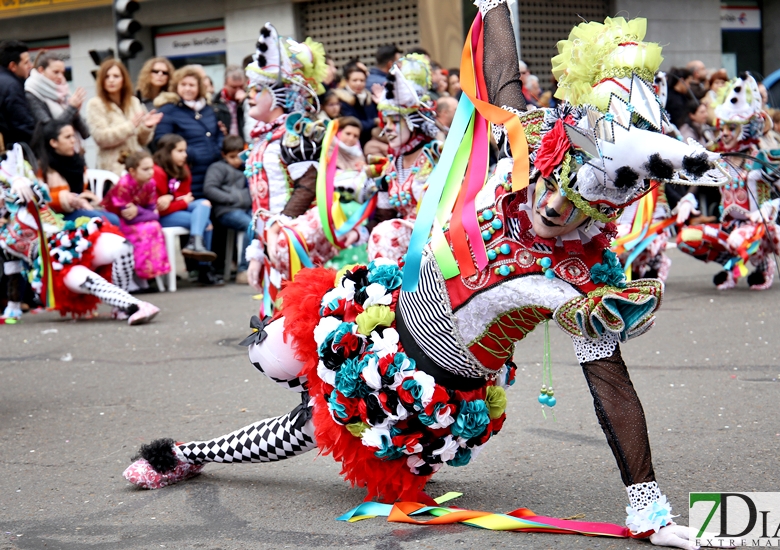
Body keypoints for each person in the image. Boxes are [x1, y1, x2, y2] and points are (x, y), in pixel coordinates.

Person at [123, 9, 726, 549]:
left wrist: (648, 507)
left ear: (610, 209)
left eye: (580, 208)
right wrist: (494, 5)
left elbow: (613, 388)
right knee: (273, 353)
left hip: (430, 380)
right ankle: (256, 367)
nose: (553, 209)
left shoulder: (589, 280)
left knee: (305, 429)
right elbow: (500, 75)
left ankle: (184, 453)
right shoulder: (529, 143)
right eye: (557, 183)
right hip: (380, 312)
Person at [0, 143, 158, 324]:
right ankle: (135, 305)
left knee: (123, 247)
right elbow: (12, 272)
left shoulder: (25, 201)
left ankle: (121, 308)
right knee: (88, 281)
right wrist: (12, 309)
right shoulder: (6, 239)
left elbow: (29, 186)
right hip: (56, 267)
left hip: (72, 238)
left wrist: (19, 182)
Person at [241, 23, 332, 316]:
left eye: (258, 89)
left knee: (304, 316)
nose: (249, 95)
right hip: (273, 241)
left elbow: (309, 184)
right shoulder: (261, 138)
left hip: (297, 244)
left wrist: (282, 228)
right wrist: (258, 250)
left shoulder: (295, 133)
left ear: (278, 95)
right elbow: (260, 206)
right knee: (279, 320)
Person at [677, 74, 780, 291]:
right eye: (723, 128)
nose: (725, 134)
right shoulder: (721, 160)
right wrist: (689, 197)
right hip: (730, 228)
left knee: (738, 239)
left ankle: (762, 264)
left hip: (759, 229)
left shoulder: (761, 160)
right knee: (686, 237)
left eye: (732, 128)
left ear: (747, 129)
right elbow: (702, 177)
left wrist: (772, 206)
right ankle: (731, 267)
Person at [367, 54, 442, 263]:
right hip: (402, 250)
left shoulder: (436, 157)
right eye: (386, 122)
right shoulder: (392, 166)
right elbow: (384, 217)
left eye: (395, 121)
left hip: (438, 248)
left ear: (413, 122)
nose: (387, 129)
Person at [153, 65, 223, 199]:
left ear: (199, 87)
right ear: (176, 86)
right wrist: (190, 154)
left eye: (192, 85)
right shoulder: (169, 110)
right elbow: (162, 139)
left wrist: (218, 150)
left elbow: (218, 132)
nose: (187, 89)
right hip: (187, 171)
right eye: (183, 84)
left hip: (213, 169)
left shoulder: (208, 109)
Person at [32, 120, 119, 226]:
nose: (73, 140)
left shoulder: (77, 162)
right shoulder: (43, 167)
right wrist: (66, 199)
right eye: (67, 137)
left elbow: (86, 190)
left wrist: (83, 200)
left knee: (114, 217)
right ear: (53, 142)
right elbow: (39, 199)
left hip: (79, 209)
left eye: (73, 136)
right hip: (56, 217)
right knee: (112, 221)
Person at [102, 150, 170, 281]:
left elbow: (154, 213)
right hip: (116, 220)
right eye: (145, 169)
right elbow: (128, 217)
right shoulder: (124, 185)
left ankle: (149, 273)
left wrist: (138, 210)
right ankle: (135, 276)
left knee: (155, 225)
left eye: (151, 168)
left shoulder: (150, 184)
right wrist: (147, 214)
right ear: (132, 171)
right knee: (145, 230)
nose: (151, 172)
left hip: (138, 219)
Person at [152, 133, 217, 267]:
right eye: (180, 151)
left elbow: (186, 196)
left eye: (185, 151)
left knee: (203, 203)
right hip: (159, 217)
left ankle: (195, 243)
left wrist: (171, 198)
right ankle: (204, 269)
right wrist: (181, 201)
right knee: (206, 223)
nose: (185, 155)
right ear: (167, 152)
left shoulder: (183, 168)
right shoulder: (156, 171)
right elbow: (160, 209)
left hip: (175, 210)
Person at [87, 58, 162, 174]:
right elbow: (101, 138)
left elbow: (142, 141)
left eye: (116, 76)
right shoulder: (95, 104)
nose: (111, 80)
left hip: (138, 166)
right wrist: (130, 126)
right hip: (113, 169)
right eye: (107, 76)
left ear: (123, 79)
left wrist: (147, 127)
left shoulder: (134, 102)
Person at [203, 135, 252, 283]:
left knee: (258, 224)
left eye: (239, 156)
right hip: (227, 211)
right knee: (250, 225)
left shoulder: (248, 168)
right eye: (232, 157)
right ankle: (244, 269)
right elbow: (209, 189)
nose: (237, 161)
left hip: (246, 209)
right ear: (223, 154)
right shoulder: (217, 168)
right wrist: (232, 199)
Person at [25, 51, 88, 149]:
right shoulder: (32, 93)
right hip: (53, 157)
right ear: (41, 70)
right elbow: (49, 131)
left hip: (74, 153)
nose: (60, 76)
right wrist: (71, 108)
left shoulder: (64, 92)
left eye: (62, 72)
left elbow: (86, 133)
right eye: (56, 72)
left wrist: (75, 113)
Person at [0, 40, 35, 146]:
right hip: (13, 152)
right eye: (26, 62)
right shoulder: (12, 87)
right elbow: (23, 125)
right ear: (13, 66)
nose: (31, 66)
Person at [335, 64, 378, 147]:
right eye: (355, 80)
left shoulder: (369, 97)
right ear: (347, 81)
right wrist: (374, 121)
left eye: (362, 80)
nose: (359, 83)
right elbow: (353, 123)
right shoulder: (341, 99)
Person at [213, 65, 247, 140]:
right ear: (225, 84)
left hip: (245, 144)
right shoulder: (215, 103)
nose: (238, 90)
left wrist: (245, 102)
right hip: (226, 146)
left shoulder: (249, 100)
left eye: (241, 86)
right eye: (234, 87)